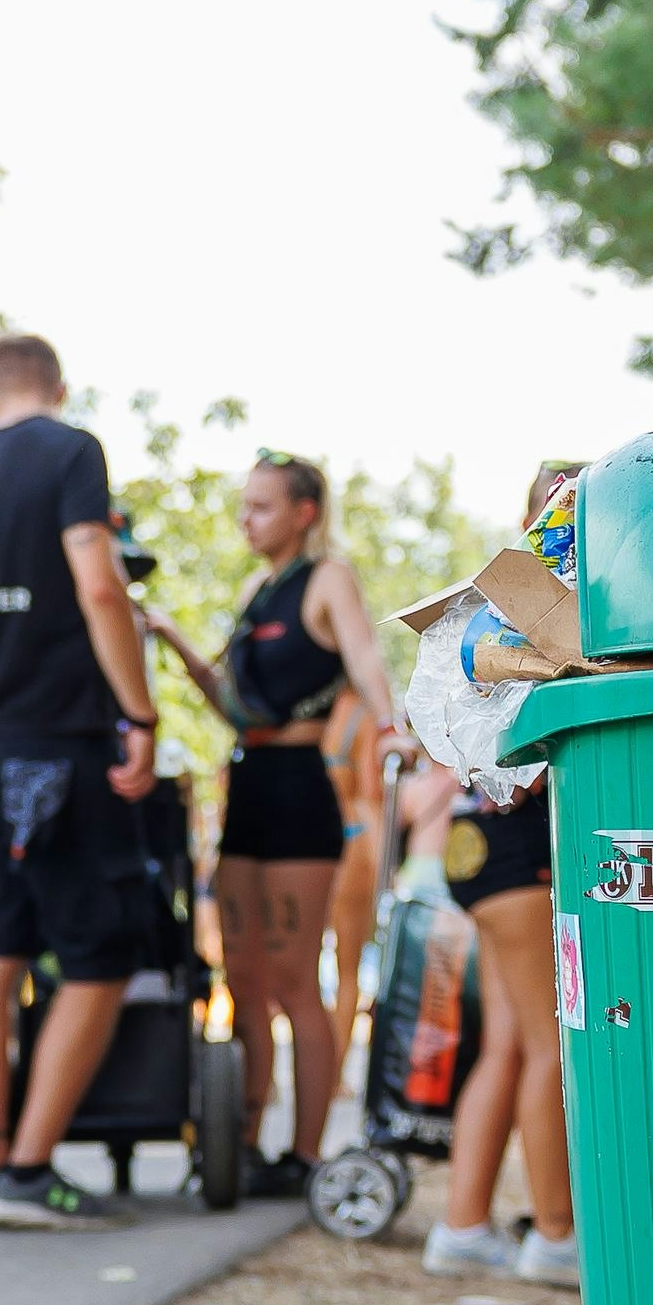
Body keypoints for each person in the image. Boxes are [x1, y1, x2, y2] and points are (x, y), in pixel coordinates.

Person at [0, 334, 160, 1232]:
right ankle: (29, 1170)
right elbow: (100, 587)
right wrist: (140, 714)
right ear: (57, 387)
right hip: (66, 741)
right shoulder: (72, 451)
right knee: (98, 958)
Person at [140, 454, 398, 1198]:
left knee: (293, 979)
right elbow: (235, 705)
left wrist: (390, 726)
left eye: (261, 506)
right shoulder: (256, 589)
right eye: (244, 505)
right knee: (242, 979)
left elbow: (364, 659)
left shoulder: (329, 579)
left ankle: (307, 1154)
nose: (246, 519)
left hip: (298, 789)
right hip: (247, 779)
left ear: (304, 512)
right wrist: (175, 643)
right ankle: (242, 1140)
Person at [419, 760, 579, 1284]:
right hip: (519, 849)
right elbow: (526, 769)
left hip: (475, 842)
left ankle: (462, 1231)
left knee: (506, 1049)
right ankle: (557, 1236)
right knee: (549, 1049)